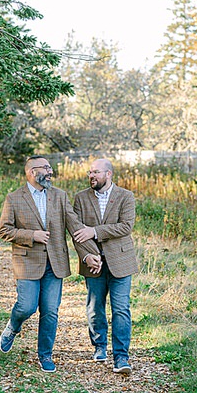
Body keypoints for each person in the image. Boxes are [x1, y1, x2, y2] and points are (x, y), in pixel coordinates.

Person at [0, 155, 100, 372]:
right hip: (27, 263)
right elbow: (4, 231)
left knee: (50, 311)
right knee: (26, 307)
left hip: (55, 263)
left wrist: (89, 254)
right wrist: (31, 235)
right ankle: (13, 327)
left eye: (50, 167)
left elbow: (75, 228)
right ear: (32, 172)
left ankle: (45, 355)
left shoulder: (60, 196)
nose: (50, 171)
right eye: (45, 168)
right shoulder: (14, 198)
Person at [71, 158, 136, 375]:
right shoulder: (80, 198)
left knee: (121, 309)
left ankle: (121, 357)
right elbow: (76, 232)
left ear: (108, 174)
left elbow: (125, 227)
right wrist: (87, 256)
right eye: (90, 172)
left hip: (121, 261)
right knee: (94, 307)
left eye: (96, 172)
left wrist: (95, 231)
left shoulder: (126, 196)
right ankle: (99, 345)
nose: (92, 176)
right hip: (93, 262)